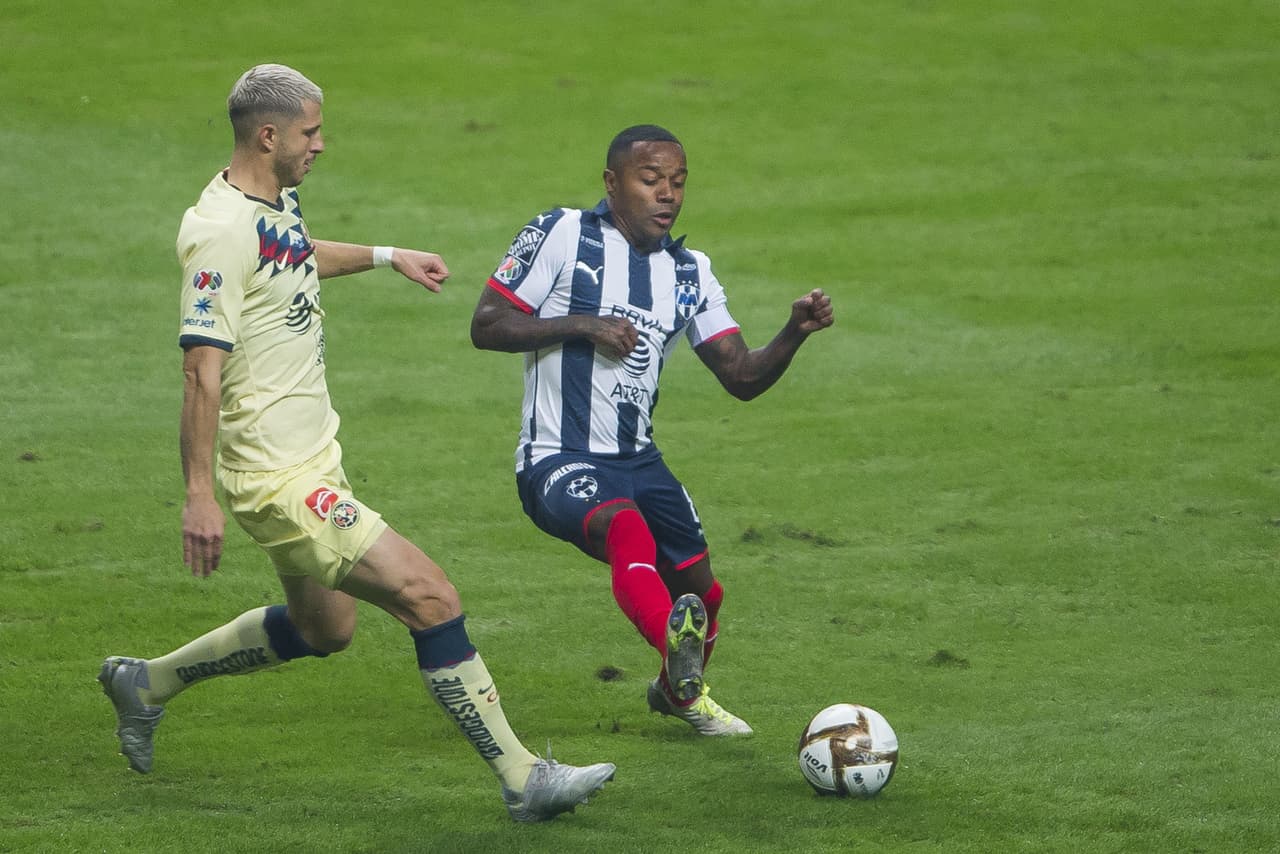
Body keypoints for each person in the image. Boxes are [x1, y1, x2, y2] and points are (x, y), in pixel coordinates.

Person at [97, 63, 614, 822]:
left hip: (313, 459)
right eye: (311, 131)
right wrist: (199, 496)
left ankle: (145, 682)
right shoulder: (216, 233)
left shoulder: (270, 199)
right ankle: (522, 776)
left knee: (324, 628)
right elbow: (200, 374)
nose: (322, 144)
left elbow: (290, 253)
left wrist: (383, 256)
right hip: (275, 479)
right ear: (268, 135)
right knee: (430, 596)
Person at [470, 124, 835, 737]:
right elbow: (488, 323)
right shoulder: (563, 234)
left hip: (640, 461)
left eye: (678, 182)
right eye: (650, 180)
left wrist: (794, 331)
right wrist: (586, 325)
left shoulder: (690, 271)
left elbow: (741, 376)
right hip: (558, 457)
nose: (667, 194)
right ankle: (681, 663)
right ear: (613, 184)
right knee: (626, 529)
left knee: (703, 591)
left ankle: (676, 692)